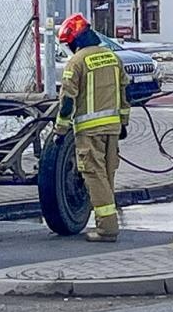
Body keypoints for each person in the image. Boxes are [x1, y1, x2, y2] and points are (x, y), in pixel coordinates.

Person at [53, 12, 130, 242]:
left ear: (75, 40)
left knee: (94, 176)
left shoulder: (76, 62)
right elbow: (125, 94)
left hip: (89, 131)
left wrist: (60, 130)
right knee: (107, 175)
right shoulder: (112, 58)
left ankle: (107, 229)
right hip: (112, 129)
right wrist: (123, 123)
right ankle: (108, 223)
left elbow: (68, 101)